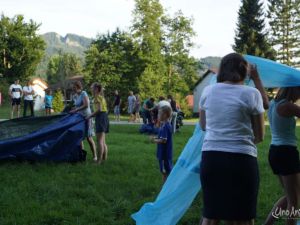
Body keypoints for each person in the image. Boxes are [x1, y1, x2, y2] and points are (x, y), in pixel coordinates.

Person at [199, 53, 268, 225]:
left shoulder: (208, 91)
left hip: (211, 159)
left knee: (211, 213)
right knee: (243, 215)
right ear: (245, 71)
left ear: (222, 70)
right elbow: (260, 135)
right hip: (242, 160)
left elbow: (203, 126)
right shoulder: (252, 94)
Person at [264, 87, 300, 225]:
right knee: (294, 201)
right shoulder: (287, 105)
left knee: (290, 195)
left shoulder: (274, 103)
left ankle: (267, 224)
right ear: (294, 90)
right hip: (287, 153)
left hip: (275, 152)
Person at [70, 81, 97, 161]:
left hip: (87, 117)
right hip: (80, 118)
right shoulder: (75, 96)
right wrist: (73, 110)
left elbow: (86, 105)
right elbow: (76, 106)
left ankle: (95, 156)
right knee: (80, 137)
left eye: (74, 87)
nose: (73, 88)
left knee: (89, 138)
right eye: (73, 87)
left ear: (78, 87)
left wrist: (76, 110)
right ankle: (82, 155)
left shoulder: (83, 93)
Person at [87, 83, 109, 165]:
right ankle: (104, 159)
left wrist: (90, 116)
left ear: (96, 89)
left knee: (99, 141)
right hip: (105, 117)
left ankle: (98, 161)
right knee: (103, 141)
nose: (91, 89)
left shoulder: (97, 97)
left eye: (92, 88)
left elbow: (99, 109)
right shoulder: (102, 97)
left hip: (100, 117)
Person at [151, 105, 173, 183]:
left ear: (165, 115)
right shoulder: (163, 125)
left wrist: (154, 140)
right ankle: (166, 188)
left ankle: (166, 188)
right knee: (165, 171)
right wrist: (156, 138)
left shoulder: (165, 126)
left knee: (165, 172)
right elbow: (162, 137)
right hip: (163, 153)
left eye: (159, 114)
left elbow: (163, 140)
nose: (158, 115)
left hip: (164, 154)